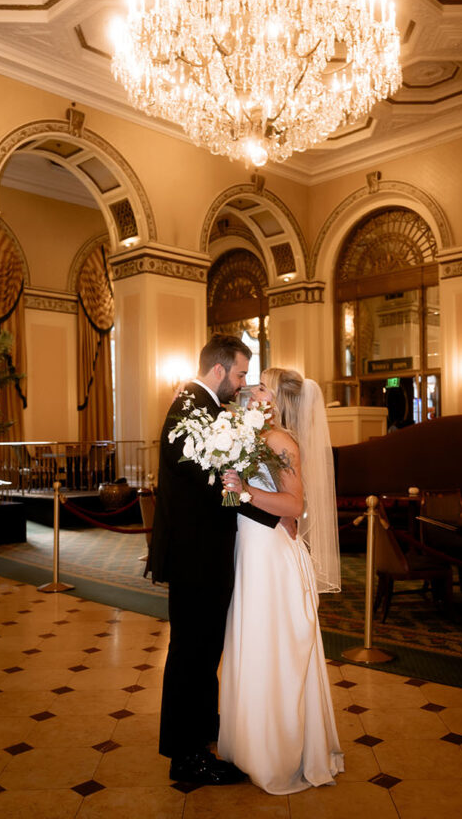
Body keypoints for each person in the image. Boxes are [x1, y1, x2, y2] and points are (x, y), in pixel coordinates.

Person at [147, 334, 280, 785]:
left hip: (201, 554)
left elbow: (218, 481)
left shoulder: (203, 410)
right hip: (195, 556)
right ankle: (186, 759)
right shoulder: (191, 409)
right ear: (219, 369)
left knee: (203, 653)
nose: (242, 384)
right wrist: (272, 515)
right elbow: (214, 482)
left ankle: (199, 741)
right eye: (241, 373)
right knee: (193, 654)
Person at [218, 367, 345, 795]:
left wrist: (245, 491)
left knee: (269, 650)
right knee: (252, 646)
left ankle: (277, 753)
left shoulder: (280, 441)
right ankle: (251, 745)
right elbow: (239, 499)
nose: (251, 389)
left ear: (274, 400)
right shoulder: (255, 437)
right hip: (252, 548)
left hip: (270, 556)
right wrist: (231, 490)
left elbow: (294, 505)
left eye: (260, 386)